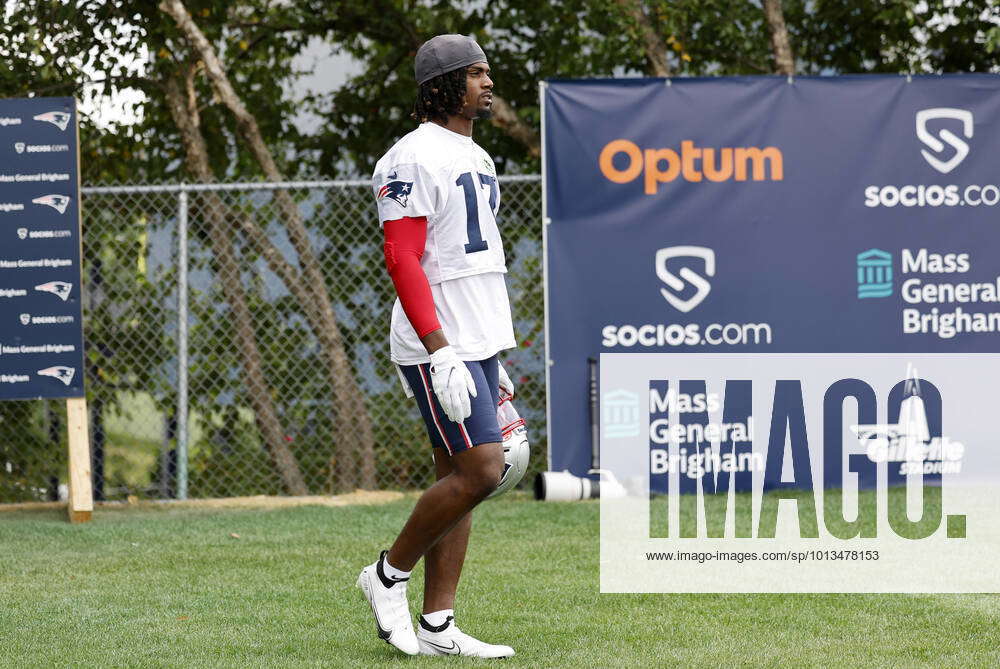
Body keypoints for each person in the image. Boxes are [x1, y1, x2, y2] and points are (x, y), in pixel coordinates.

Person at [356, 34, 517, 659]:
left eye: (488, 73)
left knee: (457, 475)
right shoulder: (412, 157)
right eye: (477, 74)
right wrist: (441, 349)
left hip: (476, 335)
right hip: (437, 340)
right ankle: (387, 575)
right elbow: (403, 258)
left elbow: (471, 260)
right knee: (481, 469)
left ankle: (439, 624)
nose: (488, 84)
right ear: (444, 86)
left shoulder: (474, 156)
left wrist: (489, 355)